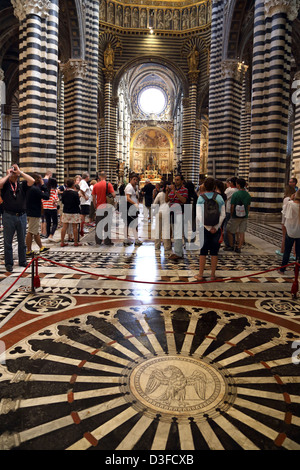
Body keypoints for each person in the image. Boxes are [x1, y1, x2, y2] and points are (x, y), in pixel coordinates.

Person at [0, 164, 35, 272]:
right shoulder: (6, 184)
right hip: (8, 215)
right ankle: (9, 263)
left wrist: (21, 172)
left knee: (21, 241)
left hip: (22, 216)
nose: (14, 174)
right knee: (8, 241)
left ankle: (22, 261)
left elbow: (32, 181)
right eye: (13, 173)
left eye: (15, 173)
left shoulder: (22, 184)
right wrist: (9, 174)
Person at [195, 177, 225, 281]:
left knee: (203, 251)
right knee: (214, 252)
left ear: (204, 186)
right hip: (216, 229)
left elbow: (199, 215)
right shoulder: (219, 198)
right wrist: (215, 227)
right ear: (214, 187)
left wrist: (207, 227)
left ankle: (200, 274)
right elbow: (223, 215)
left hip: (204, 228)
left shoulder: (201, 198)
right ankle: (212, 275)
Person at [25, 173, 50, 257]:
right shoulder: (34, 189)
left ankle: (41, 247)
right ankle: (28, 250)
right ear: (38, 180)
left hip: (30, 211)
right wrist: (43, 185)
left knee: (35, 231)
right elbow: (46, 196)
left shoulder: (29, 188)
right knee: (31, 232)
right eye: (40, 179)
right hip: (34, 213)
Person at [165, 174, 188, 260]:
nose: (176, 181)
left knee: (178, 234)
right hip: (172, 213)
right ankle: (179, 252)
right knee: (175, 234)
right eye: (175, 179)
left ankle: (178, 253)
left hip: (179, 213)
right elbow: (167, 200)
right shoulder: (172, 190)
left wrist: (175, 192)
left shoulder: (184, 190)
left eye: (178, 180)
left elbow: (184, 200)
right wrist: (167, 191)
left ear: (182, 181)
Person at [226, 178, 251, 253]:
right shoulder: (247, 194)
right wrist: (246, 213)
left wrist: (231, 214)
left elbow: (232, 206)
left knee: (229, 230)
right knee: (241, 232)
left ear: (238, 185)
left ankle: (231, 246)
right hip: (244, 215)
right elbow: (248, 206)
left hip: (236, 215)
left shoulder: (236, 194)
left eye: (236, 184)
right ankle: (239, 247)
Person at [279, 189, 300, 274]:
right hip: (299, 231)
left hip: (290, 230)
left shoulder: (290, 204)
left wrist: (291, 199)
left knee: (287, 251)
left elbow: (284, 212)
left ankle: (282, 269)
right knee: (299, 252)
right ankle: (297, 270)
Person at [92, 171, 115, 246]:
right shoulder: (109, 184)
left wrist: (95, 206)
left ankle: (98, 241)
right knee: (107, 225)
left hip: (99, 207)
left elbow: (93, 198)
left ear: (99, 177)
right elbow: (114, 195)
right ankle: (107, 241)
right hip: (107, 207)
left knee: (98, 224)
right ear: (106, 176)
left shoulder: (96, 185)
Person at [60, 178, 82, 247]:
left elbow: (62, 201)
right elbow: (78, 203)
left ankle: (62, 242)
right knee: (75, 227)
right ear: (73, 185)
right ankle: (75, 242)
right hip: (74, 211)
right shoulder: (75, 193)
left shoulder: (64, 193)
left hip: (66, 211)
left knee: (64, 227)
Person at [124, 173, 142, 246]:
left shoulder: (133, 187)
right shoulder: (129, 187)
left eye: (136, 180)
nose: (135, 181)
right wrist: (134, 204)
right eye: (134, 179)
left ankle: (126, 239)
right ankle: (136, 239)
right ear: (130, 180)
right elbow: (127, 198)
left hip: (131, 207)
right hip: (130, 207)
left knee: (128, 224)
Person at [153, 182, 171, 251]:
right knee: (166, 229)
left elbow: (154, 204)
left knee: (158, 229)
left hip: (159, 211)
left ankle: (157, 246)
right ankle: (167, 246)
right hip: (167, 212)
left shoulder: (160, 194)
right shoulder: (170, 194)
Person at [223, 177, 238, 250]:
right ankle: (233, 243)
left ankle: (228, 244)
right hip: (236, 211)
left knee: (226, 227)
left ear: (231, 182)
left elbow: (224, 197)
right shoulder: (237, 190)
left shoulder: (230, 190)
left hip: (228, 210)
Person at [43, 177, 59, 241]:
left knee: (48, 222)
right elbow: (55, 199)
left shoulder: (45, 190)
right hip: (52, 208)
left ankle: (47, 234)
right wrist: (56, 201)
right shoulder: (54, 190)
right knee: (55, 222)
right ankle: (51, 235)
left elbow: (43, 198)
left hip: (45, 208)